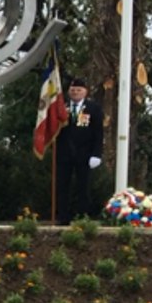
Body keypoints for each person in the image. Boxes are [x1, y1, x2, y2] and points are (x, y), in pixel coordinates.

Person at [54, 77, 104, 225]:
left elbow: (98, 133)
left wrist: (97, 154)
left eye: (79, 90)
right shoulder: (61, 107)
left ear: (85, 92)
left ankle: (83, 217)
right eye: (73, 90)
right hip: (64, 154)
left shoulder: (93, 108)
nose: (75, 93)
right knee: (63, 187)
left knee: (83, 187)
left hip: (85, 155)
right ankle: (62, 217)